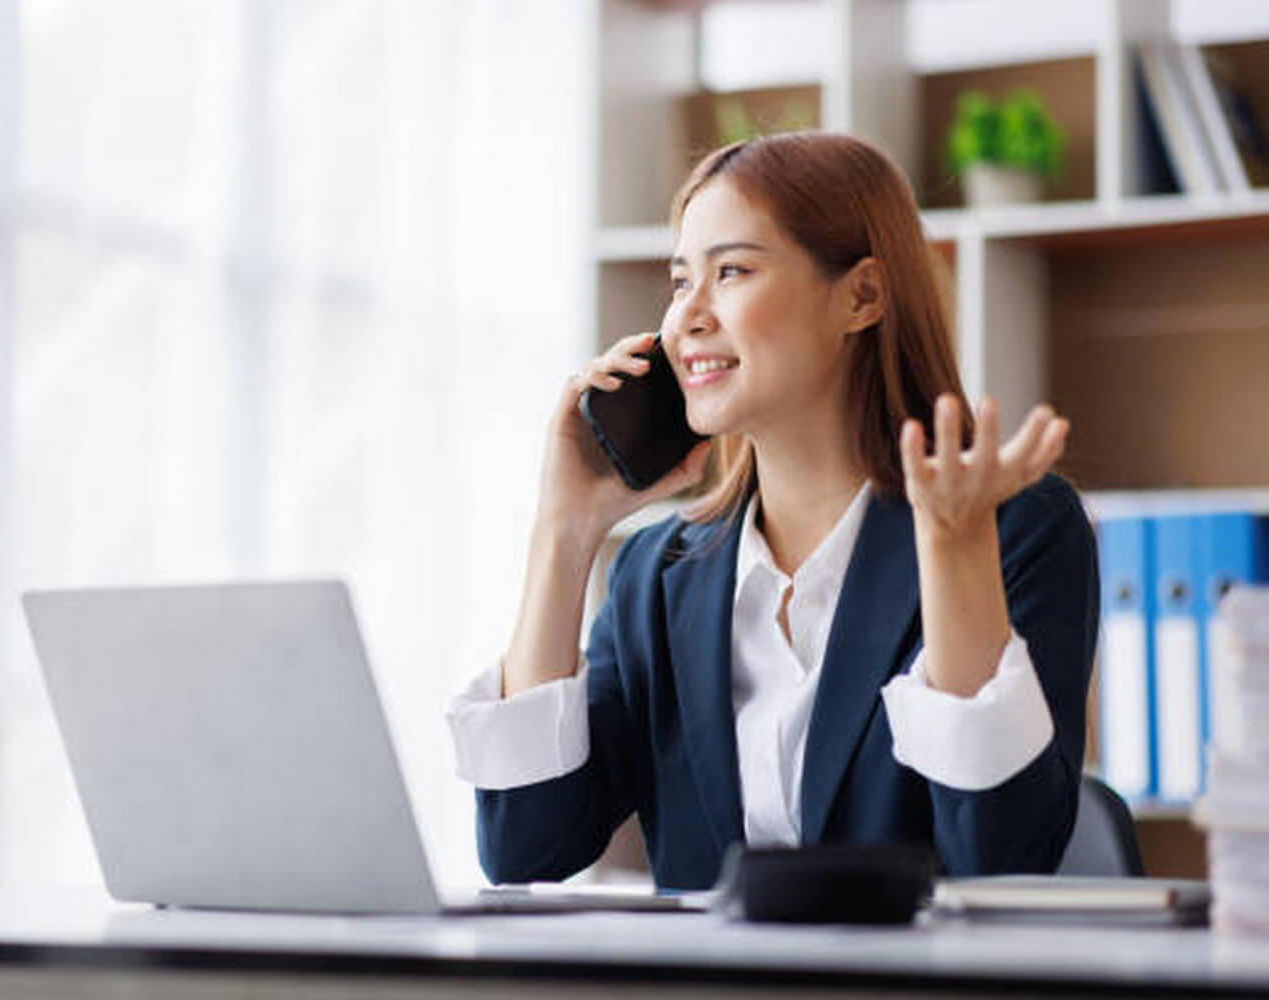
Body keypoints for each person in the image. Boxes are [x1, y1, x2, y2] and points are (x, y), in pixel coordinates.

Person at [446, 131, 1099, 890]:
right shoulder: (659, 575)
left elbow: (1001, 856)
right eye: (679, 279)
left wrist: (953, 553)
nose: (685, 318)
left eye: (730, 272)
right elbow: (526, 845)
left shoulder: (1012, 526)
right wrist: (565, 529)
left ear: (861, 296)